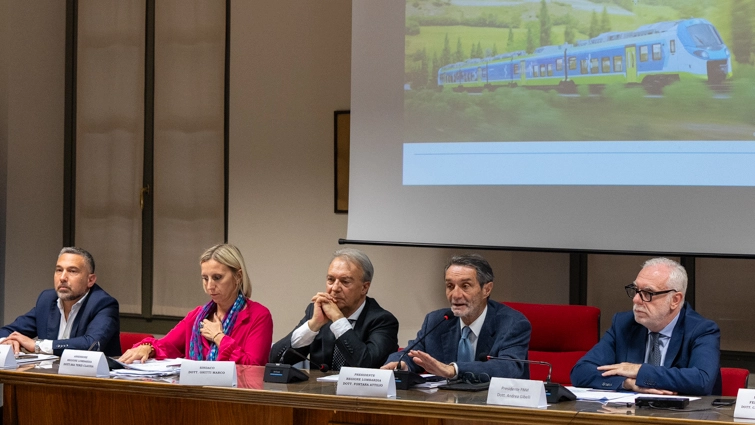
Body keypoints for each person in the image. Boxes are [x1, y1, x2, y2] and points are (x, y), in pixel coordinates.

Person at [570, 257, 721, 395]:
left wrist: (639, 371)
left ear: (675, 300)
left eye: (648, 293)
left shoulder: (702, 330)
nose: (636, 299)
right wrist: (627, 383)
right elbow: (580, 372)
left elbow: (702, 380)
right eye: (636, 290)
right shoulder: (624, 324)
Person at [382, 254, 531, 380]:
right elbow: (412, 354)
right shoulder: (437, 321)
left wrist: (454, 370)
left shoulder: (512, 324)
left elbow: (508, 368)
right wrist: (401, 364)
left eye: (465, 286)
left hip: (495, 409)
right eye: (450, 286)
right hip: (446, 405)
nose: (456, 295)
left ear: (486, 289)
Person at [120, 244, 272, 365]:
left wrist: (218, 337)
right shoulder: (198, 315)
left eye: (217, 277)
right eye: (205, 278)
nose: (210, 286)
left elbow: (253, 367)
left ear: (238, 276)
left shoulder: (259, 316)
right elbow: (166, 345)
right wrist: (148, 348)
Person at [270, 248, 398, 370]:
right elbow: (275, 359)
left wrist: (338, 320)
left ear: (364, 287)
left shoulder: (383, 321)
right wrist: (313, 325)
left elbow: (366, 364)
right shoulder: (317, 312)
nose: (335, 288)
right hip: (319, 392)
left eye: (345, 281)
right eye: (331, 280)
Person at [0, 247, 121, 356]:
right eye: (59, 270)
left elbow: (91, 344)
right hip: (50, 377)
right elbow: (8, 331)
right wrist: (8, 341)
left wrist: (37, 346)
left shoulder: (104, 304)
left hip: (91, 378)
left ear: (90, 280)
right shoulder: (47, 300)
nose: (62, 277)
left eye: (72, 271)